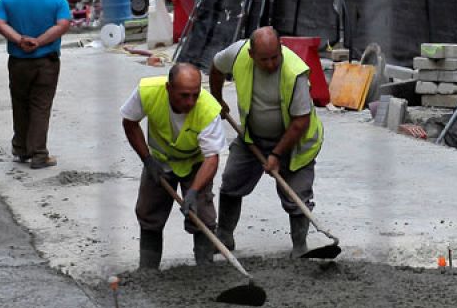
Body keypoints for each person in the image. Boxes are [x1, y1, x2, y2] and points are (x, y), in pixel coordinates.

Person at [208, 26, 324, 256]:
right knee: (232, 181)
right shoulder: (238, 53)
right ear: (251, 55)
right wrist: (217, 98)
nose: (271, 64)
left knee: (297, 194)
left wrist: (276, 155)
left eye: (275, 57)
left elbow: (300, 121)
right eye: (264, 59)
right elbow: (216, 66)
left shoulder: (295, 72)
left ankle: (300, 246)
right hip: (253, 137)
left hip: (295, 141)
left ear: (281, 49)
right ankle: (224, 236)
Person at [121, 63, 229, 269]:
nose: (191, 102)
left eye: (195, 95)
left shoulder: (207, 109)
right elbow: (129, 122)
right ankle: (148, 270)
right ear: (168, 88)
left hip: (196, 163)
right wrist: (147, 159)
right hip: (160, 160)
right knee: (149, 213)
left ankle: (205, 270)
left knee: (203, 216)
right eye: (184, 95)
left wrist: (194, 192)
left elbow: (211, 158)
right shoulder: (148, 92)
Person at [0, 0, 72, 168]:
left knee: (20, 104)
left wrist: (20, 39)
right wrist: (40, 41)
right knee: (40, 106)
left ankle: (21, 149)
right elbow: (63, 24)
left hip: (18, 62)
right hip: (46, 62)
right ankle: (38, 154)